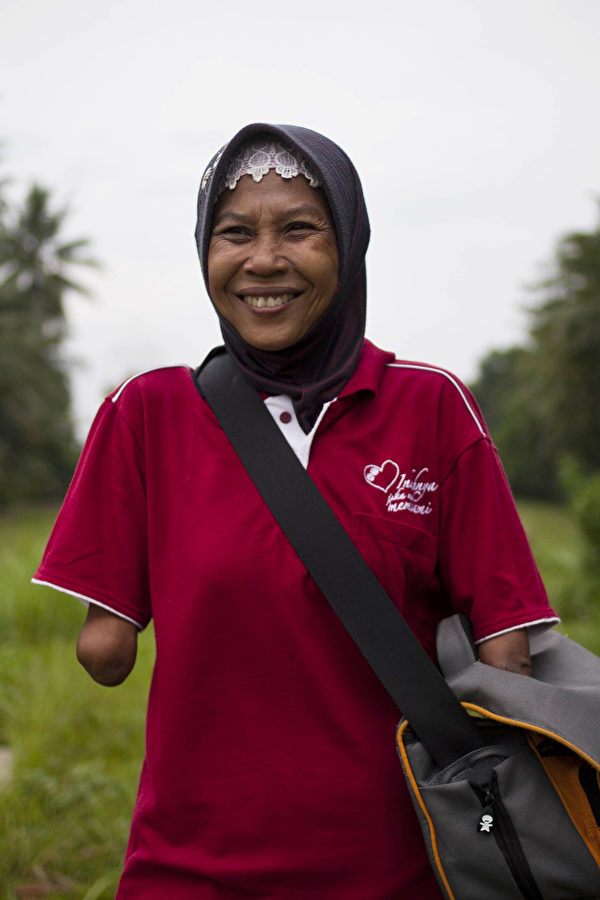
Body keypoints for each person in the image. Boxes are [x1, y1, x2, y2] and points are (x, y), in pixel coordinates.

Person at [33, 124, 558, 898]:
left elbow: (509, 649)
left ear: (349, 246)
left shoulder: (431, 405)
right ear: (203, 252)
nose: (264, 260)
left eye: (300, 230)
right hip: (186, 871)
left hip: (401, 868)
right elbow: (105, 654)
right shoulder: (146, 412)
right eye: (234, 233)